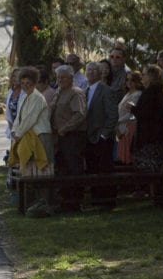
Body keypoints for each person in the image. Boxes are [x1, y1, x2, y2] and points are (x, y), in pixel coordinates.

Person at [10, 67, 54, 215]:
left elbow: (30, 118)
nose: (25, 86)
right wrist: (14, 132)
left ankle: (45, 204)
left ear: (34, 83)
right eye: (22, 83)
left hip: (41, 137)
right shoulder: (25, 97)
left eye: (28, 83)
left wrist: (19, 132)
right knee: (30, 171)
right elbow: (19, 118)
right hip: (28, 138)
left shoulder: (37, 97)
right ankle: (32, 204)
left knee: (42, 172)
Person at [49, 65, 86, 212]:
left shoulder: (75, 93)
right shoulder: (59, 92)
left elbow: (80, 114)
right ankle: (65, 201)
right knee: (63, 168)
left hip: (73, 136)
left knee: (74, 169)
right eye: (58, 78)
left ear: (71, 78)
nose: (60, 80)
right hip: (60, 137)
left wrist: (66, 128)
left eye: (63, 77)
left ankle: (75, 202)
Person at [84, 62, 118, 208]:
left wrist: (104, 135)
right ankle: (96, 200)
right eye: (88, 70)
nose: (91, 72)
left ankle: (107, 201)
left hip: (102, 138)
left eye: (94, 70)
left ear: (99, 73)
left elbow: (113, 115)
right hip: (88, 138)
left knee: (105, 170)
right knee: (93, 169)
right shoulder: (85, 91)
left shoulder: (106, 90)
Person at [132, 65, 163, 173]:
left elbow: (147, 114)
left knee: (149, 169)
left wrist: (133, 109)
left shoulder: (151, 93)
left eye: (144, 75)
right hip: (154, 137)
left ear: (151, 76)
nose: (141, 77)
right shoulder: (158, 91)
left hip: (149, 137)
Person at [115, 70, 143, 166]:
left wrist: (118, 122)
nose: (129, 82)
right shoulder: (127, 94)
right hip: (121, 126)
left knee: (128, 157)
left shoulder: (137, 94)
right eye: (127, 80)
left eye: (132, 80)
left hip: (129, 127)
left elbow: (131, 114)